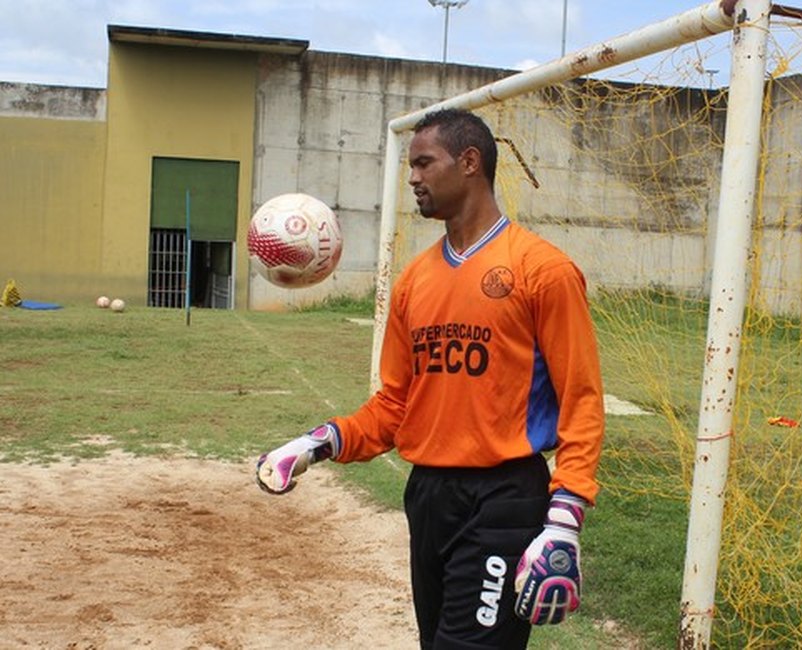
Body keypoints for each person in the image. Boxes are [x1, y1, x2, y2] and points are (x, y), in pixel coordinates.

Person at [255, 108, 606, 650]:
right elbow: (396, 406)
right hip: (429, 496)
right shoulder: (413, 283)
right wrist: (318, 442)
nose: (413, 177)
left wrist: (564, 518)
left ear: (469, 163)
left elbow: (580, 399)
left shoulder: (544, 271)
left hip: (506, 496)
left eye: (423, 163)